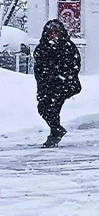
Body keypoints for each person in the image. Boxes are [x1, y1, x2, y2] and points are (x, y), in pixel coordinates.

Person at [33, 19, 81, 148]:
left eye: (56, 32)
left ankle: (54, 135)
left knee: (53, 109)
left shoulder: (67, 47)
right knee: (43, 108)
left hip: (64, 85)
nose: (53, 35)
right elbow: (38, 68)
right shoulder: (41, 48)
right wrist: (43, 82)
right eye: (50, 33)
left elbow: (75, 65)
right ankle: (56, 130)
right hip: (47, 86)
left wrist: (64, 77)